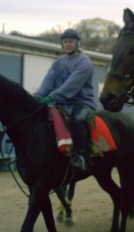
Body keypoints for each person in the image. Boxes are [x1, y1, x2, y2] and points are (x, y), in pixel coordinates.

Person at [35, 28, 96, 171]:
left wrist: (51, 97)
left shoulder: (84, 62)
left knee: (77, 120)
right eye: (65, 42)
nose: (68, 44)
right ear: (62, 44)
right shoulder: (58, 63)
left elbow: (71, 86)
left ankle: (82, 156)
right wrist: (37, 97)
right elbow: (47, 82)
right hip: (60, 103)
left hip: (82, 103)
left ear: (77, 44)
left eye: (71, 42)